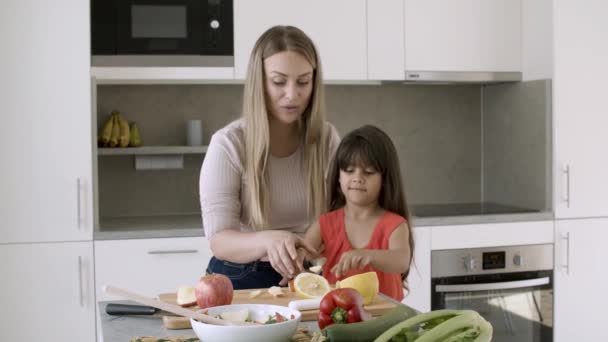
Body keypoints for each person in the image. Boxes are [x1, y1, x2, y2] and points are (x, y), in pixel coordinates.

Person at [199, 25, 340, 290]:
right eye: (278, 81)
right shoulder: (228, 144)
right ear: (259, 81)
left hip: (309, 272)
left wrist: (304, 249)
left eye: (303, 82)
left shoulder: (327, 139)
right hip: (240, 277)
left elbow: (339, 217)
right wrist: (270, 240)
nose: (292, 94)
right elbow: (220, 240)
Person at [296, 125, 414, 301]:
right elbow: (303, 253)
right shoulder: (324, 224)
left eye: (368, 172)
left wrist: (369, 255)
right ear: (338, 176)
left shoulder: (394, 224)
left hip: (385, 318)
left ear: (385, 179)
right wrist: (297, 259)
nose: (357, 178)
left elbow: (401, 260)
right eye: (349, 170)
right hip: (336, 316)